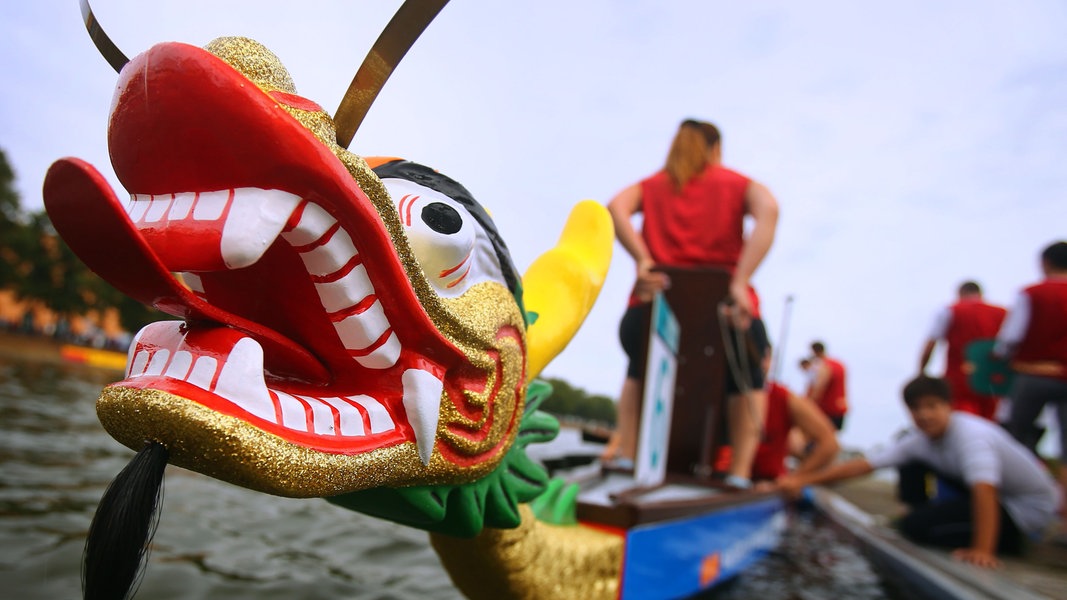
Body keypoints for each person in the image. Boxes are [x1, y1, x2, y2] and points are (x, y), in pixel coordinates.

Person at [600, 119, 779, 490]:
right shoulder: (735, 182)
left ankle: (628, 457)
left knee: (638, 369)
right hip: (724, 309)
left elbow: (616, 207)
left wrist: (642, 260)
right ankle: (739, 474)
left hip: (652, 305)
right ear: (716, 148)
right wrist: (742, 279)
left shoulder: (652, 186)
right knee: (748, 379)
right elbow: (770, 210)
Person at [778, 375, 1060, 569]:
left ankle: (1009, 541)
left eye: (932, 406)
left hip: (1024, 510)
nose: (924, 415)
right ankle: (919, 512)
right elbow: (863, 466)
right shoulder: (919, 440)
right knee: (910, 462)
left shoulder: (971, 437)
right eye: (915, 409)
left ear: (949, 406)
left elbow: (985, 488)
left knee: (917, 528)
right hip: (995, 497)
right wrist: (801, 479)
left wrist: (982, 550)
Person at [995, 241, 1067, 512]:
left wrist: (1003, 356)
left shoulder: (1031, 293)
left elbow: (1009, 339)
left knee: (1014, 439)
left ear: (1045, 263)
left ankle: (1007, 506)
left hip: (1032, 373)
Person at [918, 281, 1007, 420]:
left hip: (959, 381)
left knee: (963, 424)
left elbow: (930, 345)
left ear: (959, 295)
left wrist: (921, 372)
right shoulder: (1004, 313)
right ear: (981, 294)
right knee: (991, 423)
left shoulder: (950, 311)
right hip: (994, 381)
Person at [808, 341, 848, 430]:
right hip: (839, 409)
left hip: (826, 410)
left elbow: (819, 387)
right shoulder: (839, 364)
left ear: (815, 352)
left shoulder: (824, 366)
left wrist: (807, 405)